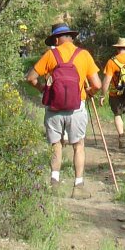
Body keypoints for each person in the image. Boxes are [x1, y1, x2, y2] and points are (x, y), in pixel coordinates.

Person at [26, 22, 101, 196]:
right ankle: (79, 186)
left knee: (56, 145)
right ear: (71, 38)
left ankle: (54, 183)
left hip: (54, 108)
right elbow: (97, 84)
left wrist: (44, 89)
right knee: (78, 145)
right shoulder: (84, 55)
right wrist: (88, 92)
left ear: (57, 39)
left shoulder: (50, 55)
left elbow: (31, 78)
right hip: (77, 108)